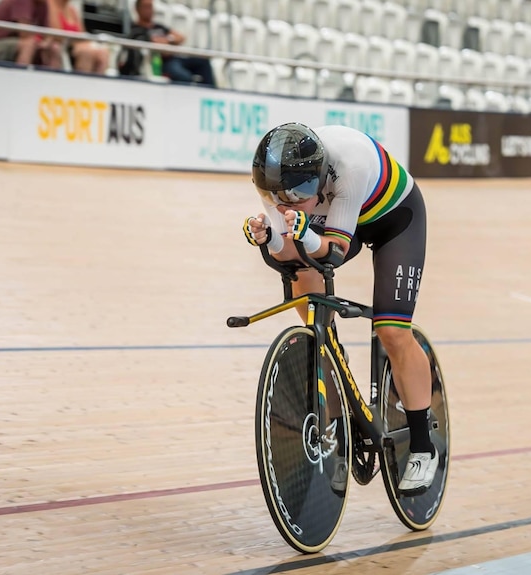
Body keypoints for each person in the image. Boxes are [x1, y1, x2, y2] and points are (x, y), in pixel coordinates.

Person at [242, 123, 438, 495]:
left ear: (317, 178)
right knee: (318, 326)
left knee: (392, 331)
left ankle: (422, 445)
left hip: (395, 221)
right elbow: (287, 255)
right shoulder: (278, 182)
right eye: (276, 197)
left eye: (298, 194)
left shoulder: (350, 164)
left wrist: (299, 231)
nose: (286, 203)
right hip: (334, 220)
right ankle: (338, 409)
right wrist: (269, 238)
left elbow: (334, 251)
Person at [125, 0, 216, 86]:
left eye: (151, 7)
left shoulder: (158, 26)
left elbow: (181, 38)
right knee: (183, 76)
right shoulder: (136, 29)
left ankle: (212, 93)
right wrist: (168, 41)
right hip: (159, 63)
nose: (150, 10)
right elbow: (158, 47)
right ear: (137, 9)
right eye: (146, 7)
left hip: (174, 57)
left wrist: (167, 40)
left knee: (203, 61)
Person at [0, 0, 62, 69]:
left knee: (54, 48)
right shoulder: (22, 1)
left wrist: (46, 43)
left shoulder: (43, 4)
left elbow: (48, 33)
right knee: (29, 44)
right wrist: (41, 42)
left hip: (17, 44)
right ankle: (21, 80)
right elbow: (25, 34)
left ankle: (51, 85)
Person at [48, 0, 109, 75]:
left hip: (75, 44)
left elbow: (82, 34)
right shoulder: (51, 4)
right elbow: (56, 34)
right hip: (63, 45)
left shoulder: (71, 10)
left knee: (103, 52)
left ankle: (97, 82)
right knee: (86, 52)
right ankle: (81, 83)